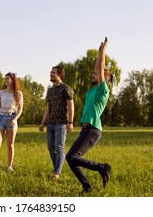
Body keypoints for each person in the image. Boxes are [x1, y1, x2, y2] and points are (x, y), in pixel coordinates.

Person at [66, 37, 114, 193]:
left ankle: (102, 167)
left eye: (97, 74)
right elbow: (98, 66)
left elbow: (100, 68)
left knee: (72, 157)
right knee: (72, 159)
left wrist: (104, 50)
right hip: (86, 129)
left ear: (105, 78)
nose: (93, 75)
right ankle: (87, 187)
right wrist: (100, 52)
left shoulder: (103, 90)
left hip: (93, 129)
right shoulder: (93, 89)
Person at [39, 65, 74, 179]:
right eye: (50, 72)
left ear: (60, 74)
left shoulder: (66, 88)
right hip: (51, 123)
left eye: (53, 72)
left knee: (59, 147)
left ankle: (57, 172)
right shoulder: (50, 90)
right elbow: (48, 108)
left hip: (62, 123)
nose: (51, 74)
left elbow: (70, 106)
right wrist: (43, 123)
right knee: (50, 147)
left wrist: (70, 122)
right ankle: (57, 168)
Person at [0, 72, 23, 173]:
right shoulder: (1, 92)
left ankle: (9, 166)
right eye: (5, 78)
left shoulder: (18, 93)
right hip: (0, 118)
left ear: (12, 80)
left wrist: (15, 119)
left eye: (8, 78)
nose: (6, 80)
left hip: (12, 118)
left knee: (10, 145)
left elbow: (20, 109)